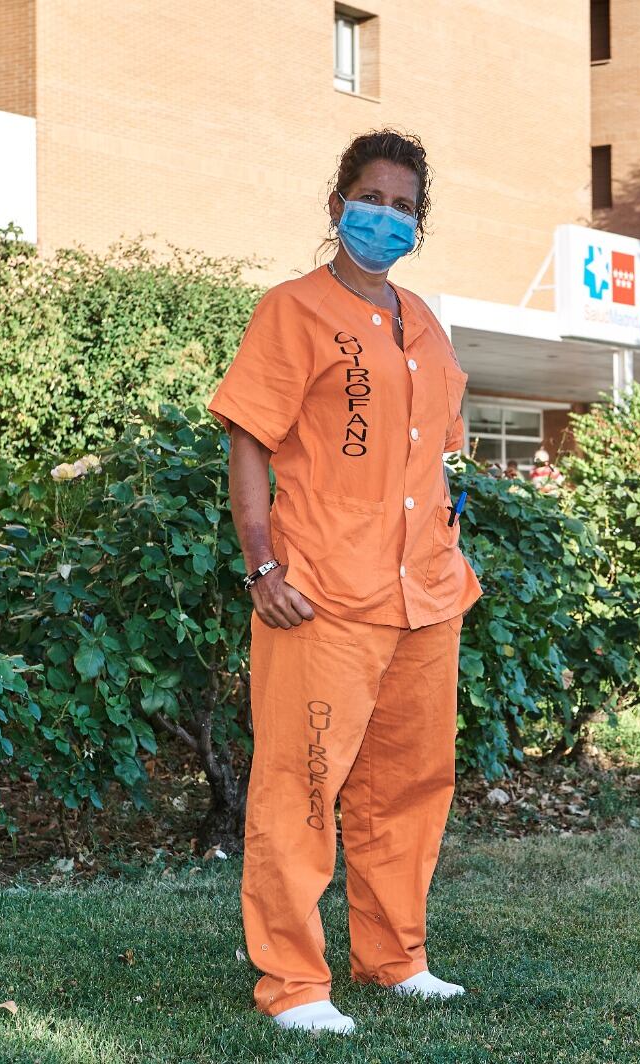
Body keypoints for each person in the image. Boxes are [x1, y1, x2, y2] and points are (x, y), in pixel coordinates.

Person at [206, 130, 481, 1036]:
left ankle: (395, 959)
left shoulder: (427, 326)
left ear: (420, 222)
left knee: (410, 785)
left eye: (406, 206)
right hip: (320, 591)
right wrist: (261, 563)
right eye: (373, 198)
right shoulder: (292, 310)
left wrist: (455, 544)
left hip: (424, 597)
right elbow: (250, 437)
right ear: (337, 205)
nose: (387, 217)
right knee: (301, 785)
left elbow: (444, 458)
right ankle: (294, 984)